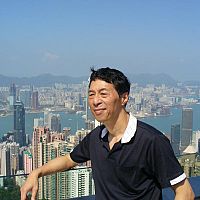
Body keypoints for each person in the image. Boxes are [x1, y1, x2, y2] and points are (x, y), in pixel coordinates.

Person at [21, 67, 194, 200]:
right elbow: (68, 160)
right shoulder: (96, 137)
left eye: (103, 94)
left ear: (124, 98)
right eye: (91, 94)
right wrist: (36, 172)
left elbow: (185, 192)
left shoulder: (151, 141)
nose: (95, 101)